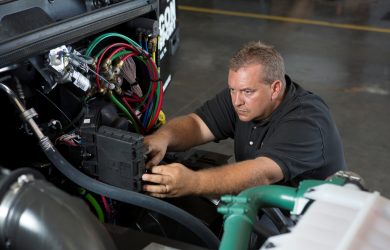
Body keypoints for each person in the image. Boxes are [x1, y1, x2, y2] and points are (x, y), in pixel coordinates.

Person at [142, 41, 348, 198]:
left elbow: (262, 173)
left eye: (247, 91)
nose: (236, 101)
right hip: (266, 204)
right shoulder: (242, 98)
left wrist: (194, 182)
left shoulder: (306, 121)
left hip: (311, 221)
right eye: (233, 89)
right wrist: (164, 137)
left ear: (275, 88)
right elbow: (197, 124)